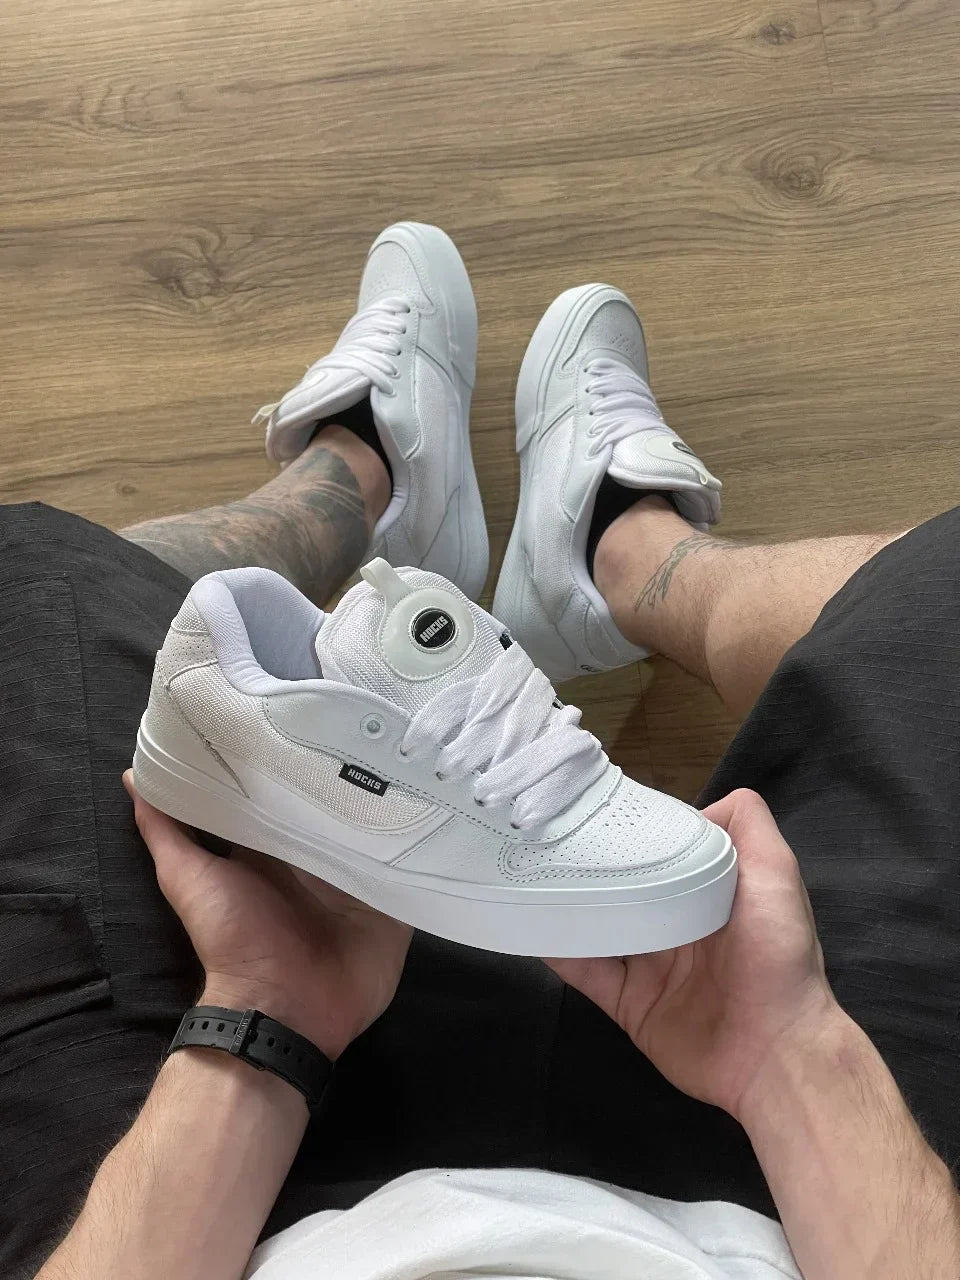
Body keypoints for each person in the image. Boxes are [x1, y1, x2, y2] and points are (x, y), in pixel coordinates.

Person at [4, 224, 959, 1280]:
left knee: (27, 577)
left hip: (254, 1209)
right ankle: (624, 553)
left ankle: (353, 479)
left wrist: (265, 1018)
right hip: (778, 1206)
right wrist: (793, 1056)